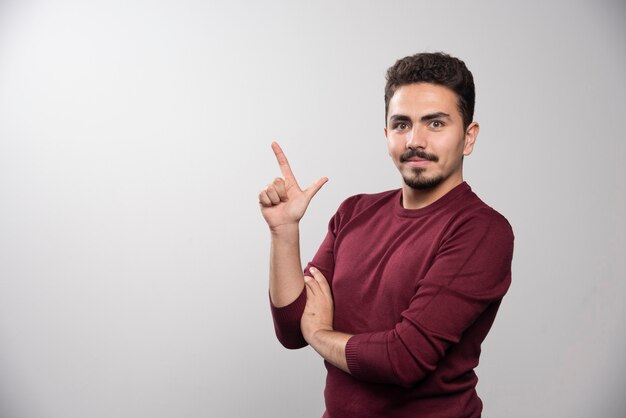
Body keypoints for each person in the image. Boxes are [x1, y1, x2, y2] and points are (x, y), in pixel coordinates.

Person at [258, 52, 514, 418]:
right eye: (401, 124)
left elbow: (403, 359)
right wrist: (284, 232)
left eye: (436, 124)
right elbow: (291, 329)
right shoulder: (354, 212)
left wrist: (319, 334)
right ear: (386, 134)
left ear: (468, 137)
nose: (415, 140)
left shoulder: (481, 231)